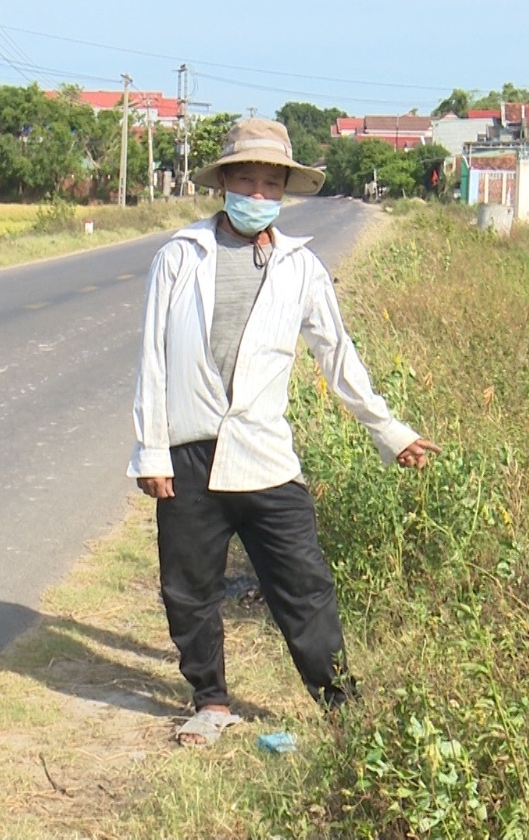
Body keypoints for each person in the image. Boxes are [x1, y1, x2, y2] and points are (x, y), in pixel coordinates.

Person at [127, 118, 440, 746]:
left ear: (285, 192)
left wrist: (391, 431)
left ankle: (341, 705)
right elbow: (152, 358)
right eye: (246, 179)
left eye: (271, 183)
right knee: (187, 587)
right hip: (189, 450)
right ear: (224, 184)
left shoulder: (301, 267)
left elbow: (337, 356)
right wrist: (151, 450)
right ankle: (211, 700)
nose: (258, 193)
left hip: (264, 453)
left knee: (304, 585)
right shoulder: (180, 256)